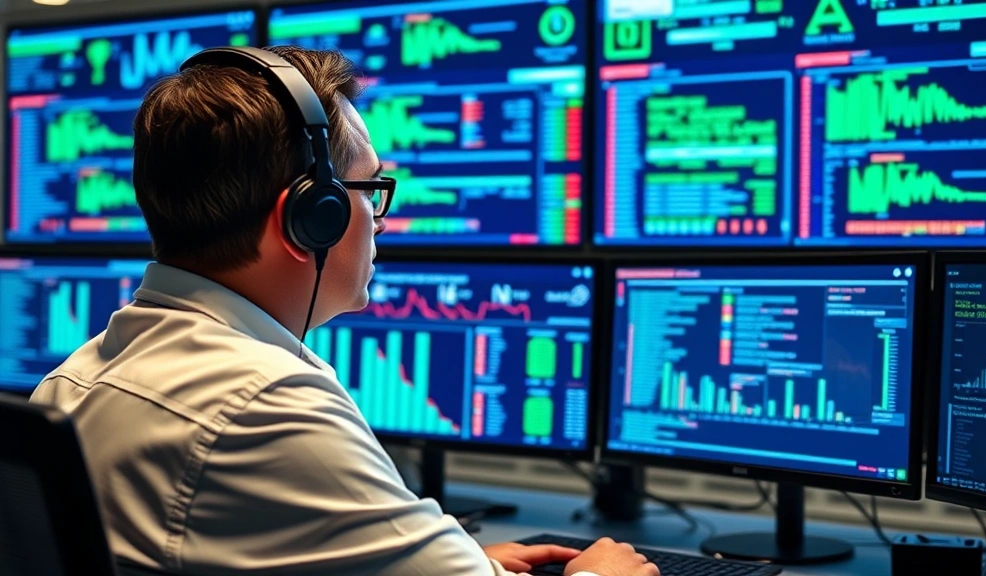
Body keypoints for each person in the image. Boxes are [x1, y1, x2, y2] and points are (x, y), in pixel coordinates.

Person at [30, 45, 660, 576]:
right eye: (370, 192)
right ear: (309, 219)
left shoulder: (73, 381)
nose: (381, 221)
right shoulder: (263, 402)